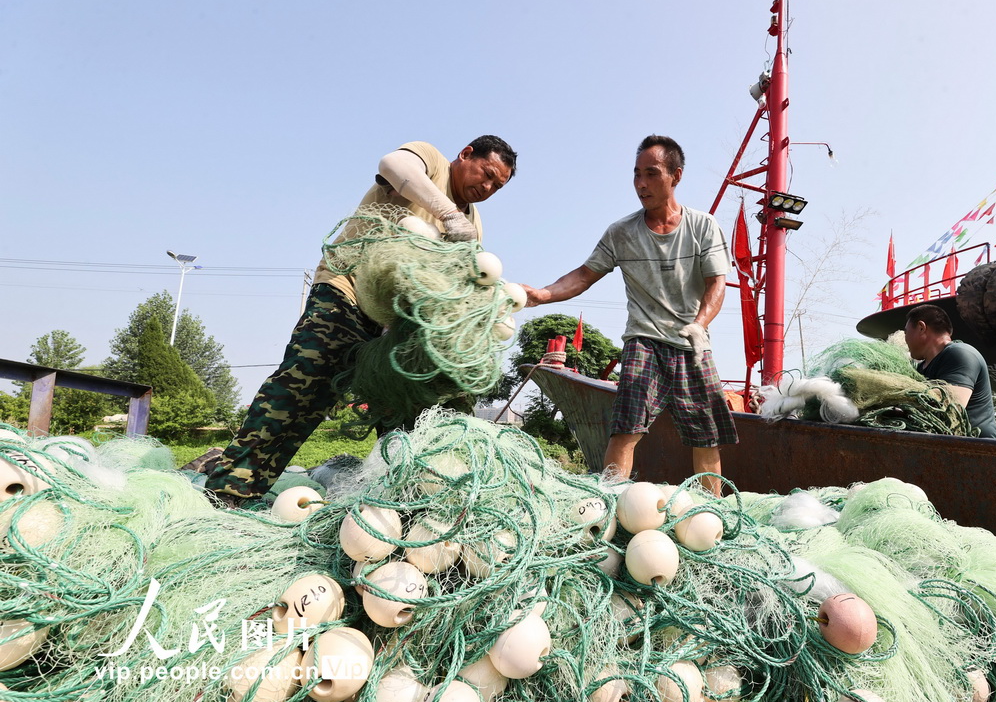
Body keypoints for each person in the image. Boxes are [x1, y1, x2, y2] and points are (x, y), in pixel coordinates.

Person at [205, 136, 518, 503]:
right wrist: (447, 213)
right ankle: (232, 488)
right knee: (303, 387)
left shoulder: (473, 222)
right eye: (486, 174)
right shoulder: (431, 162)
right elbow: (393, 165)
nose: (487, 187)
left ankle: (403, 502)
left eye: (497, 186)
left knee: (409, 411)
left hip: (395, 325)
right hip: (346, 291)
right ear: (466, 154)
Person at [523, 135, 737, 493]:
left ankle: (710, 511)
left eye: (651, 173)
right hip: (644, 342)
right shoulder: (621, 233)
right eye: (636, 174)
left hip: (692, 343)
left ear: (676, 176)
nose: (641, 184)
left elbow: (717, 284)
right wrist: (542, 294)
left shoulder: (703, 225)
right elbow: (583, 276)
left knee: (706, 436)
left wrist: (699, 325)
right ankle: (607, 504)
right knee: (625, 427)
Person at [903, 303, 996, 438]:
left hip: (979, 445)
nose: (905, 338)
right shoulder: (921, 368)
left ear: (921, 328)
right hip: (946, 444)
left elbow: (951, 407)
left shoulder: (961, 353)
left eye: (906, 332)